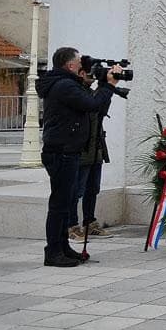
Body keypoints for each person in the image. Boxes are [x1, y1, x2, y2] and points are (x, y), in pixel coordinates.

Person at [36, 47, 122, 268]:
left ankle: (62, 247)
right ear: (70, 65)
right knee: (59, 204)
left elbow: (95, 108)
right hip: (61, 151)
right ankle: (53, 252)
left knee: (65, 203)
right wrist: (109, 84)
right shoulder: (64, 85)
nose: (81, 65)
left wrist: (103, 85)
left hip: (68, 150)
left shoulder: (66, 83)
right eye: (78, 61)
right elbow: (92, 104)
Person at [67, 65, 112, 260]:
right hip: (83, 149)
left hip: (96, 147)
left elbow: (101, 109)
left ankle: (89, 221)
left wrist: (106, 89)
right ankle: (71, 225)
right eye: (89, 75)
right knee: (76, 190)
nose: (92, 78)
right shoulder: (75, 93)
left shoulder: (92, 93)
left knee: (93, 188)